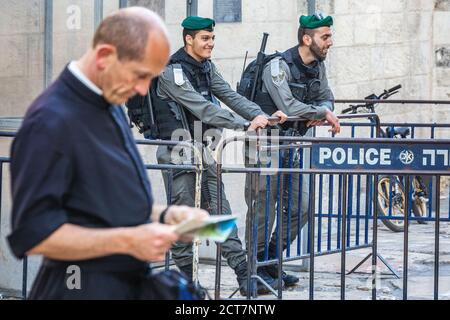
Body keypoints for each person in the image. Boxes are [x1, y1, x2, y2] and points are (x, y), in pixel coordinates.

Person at [7, 7, 208, 300]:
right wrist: (128, 240)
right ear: (104, 56)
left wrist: (166, 215)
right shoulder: (49, 121)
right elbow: (35, 233)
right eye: (139, 75)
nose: (142, 89)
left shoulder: (109, 101)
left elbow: (101, 205)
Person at [127, 16, 287, 295]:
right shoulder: (172, 72)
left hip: (202, 151)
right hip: (179, 153)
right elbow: (202, 108)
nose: (210, 43)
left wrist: (260, 115)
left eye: (212, 38)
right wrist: (243, 125)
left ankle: (244, 276)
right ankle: (189, 285)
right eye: (205, 38)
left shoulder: (206, 67)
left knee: (220, 215)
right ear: (188, 39)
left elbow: (228, 95)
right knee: (185, 221)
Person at [244, 13, 341, 288]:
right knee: (264, 209)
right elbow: (286, 106)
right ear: (307, 38)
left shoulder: (316, 66)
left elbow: (327, 97)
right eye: (325, 37)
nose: (330, 42)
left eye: (329, 36)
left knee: (302, 207)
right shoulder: (278, 66)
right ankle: (254, 271)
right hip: (264, 144)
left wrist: (323, 110)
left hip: (291, 145)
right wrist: (319, 111)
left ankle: (271, 262)